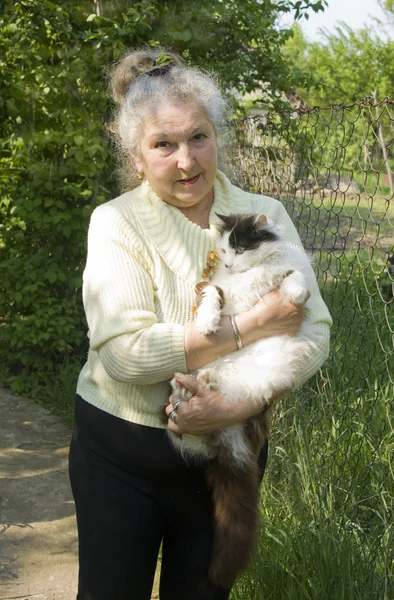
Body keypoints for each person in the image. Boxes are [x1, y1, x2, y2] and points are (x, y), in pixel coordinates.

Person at [68, 49, 332, 600]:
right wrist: (253, 325)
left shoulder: (265, 215)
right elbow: (125, 355)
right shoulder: (115, 222)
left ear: (218, 137)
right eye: (163, 145)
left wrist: (231, 408)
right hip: (122, 455)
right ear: (136, 157)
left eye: (198, 137)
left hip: (227, 446)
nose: (186, 161)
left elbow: (317, 331)